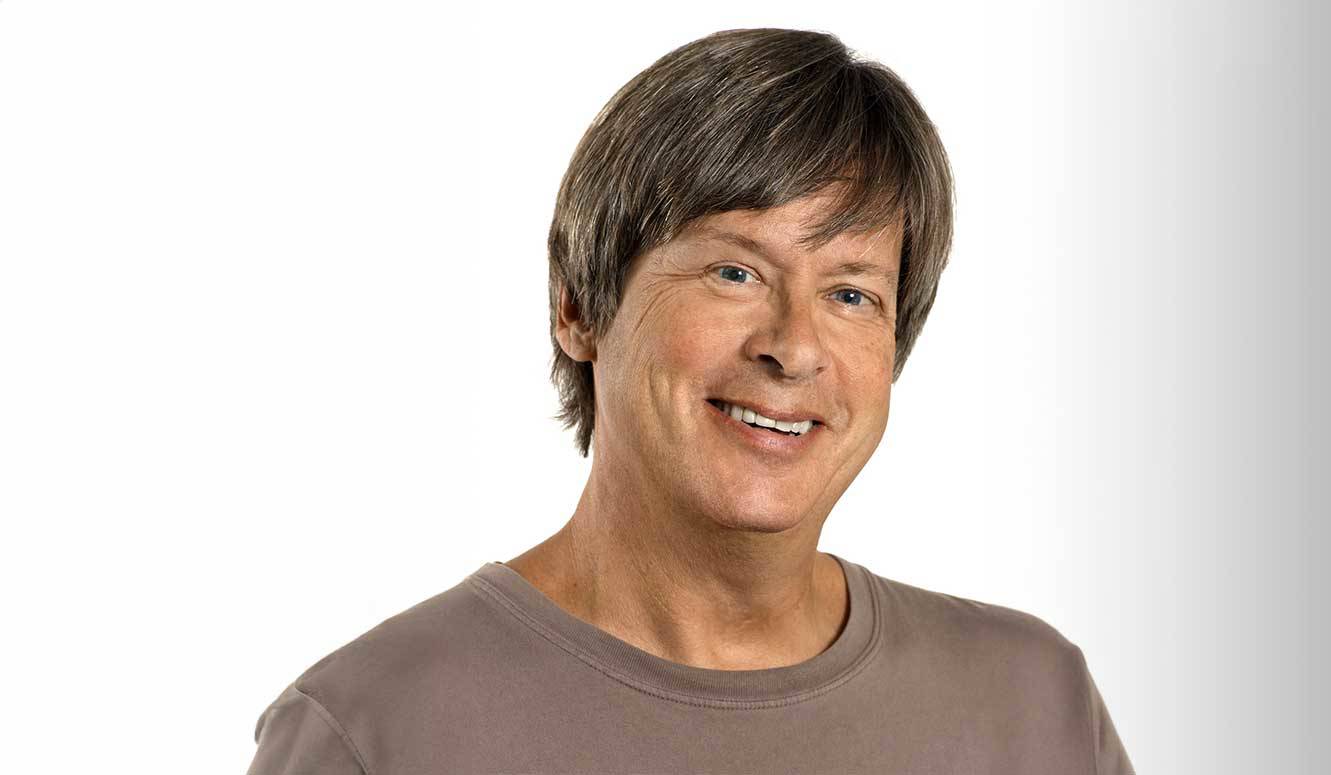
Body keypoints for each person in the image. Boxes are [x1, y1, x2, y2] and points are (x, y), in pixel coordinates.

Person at [246, 27, 1134, 774]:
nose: (793, 346)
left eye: (851, 293)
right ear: (577, 306)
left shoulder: (1033, 707)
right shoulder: (375, 731)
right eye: (735, 271)